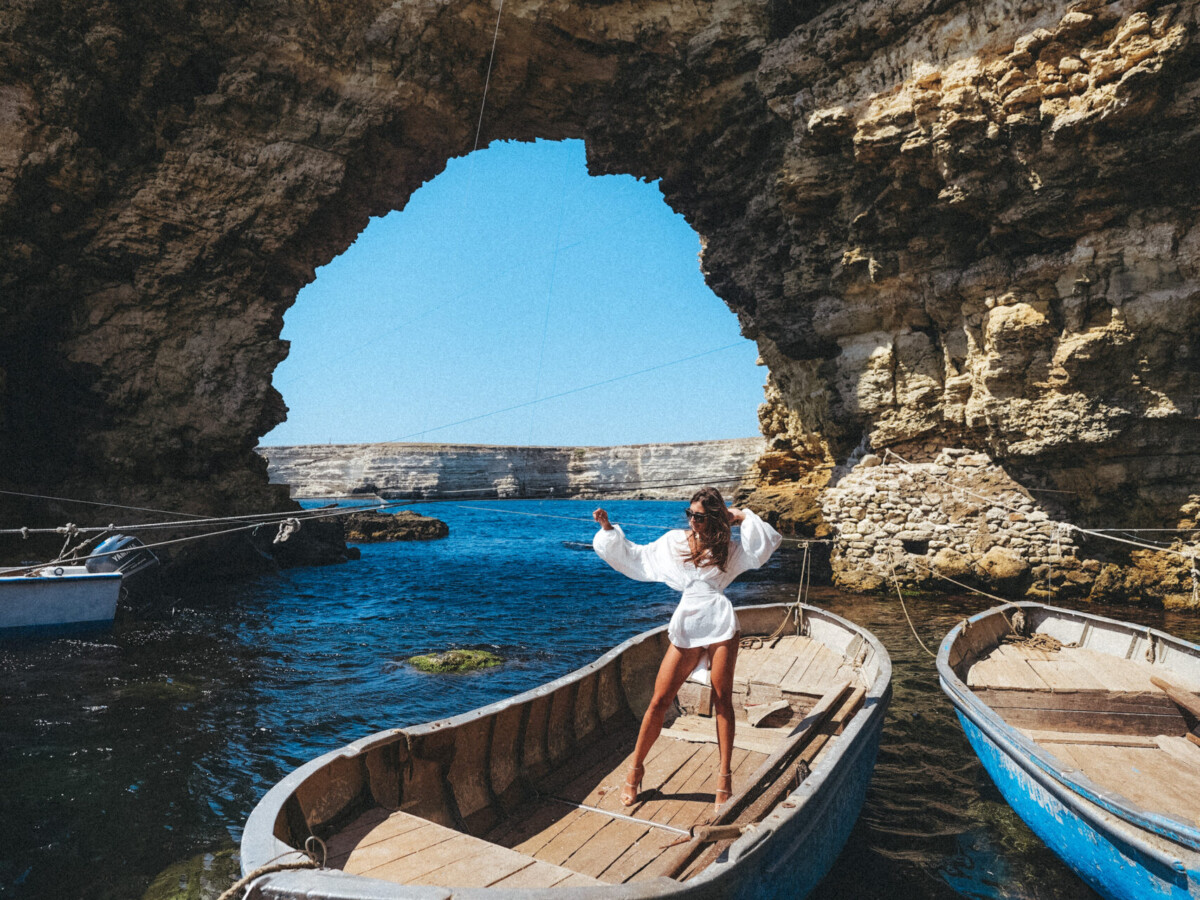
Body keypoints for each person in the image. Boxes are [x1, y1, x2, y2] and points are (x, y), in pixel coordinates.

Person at [592, 486, 782, 812]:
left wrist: (741, 515)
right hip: (687, 624)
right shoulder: (673, 542)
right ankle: (635, 770)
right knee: (659, 701)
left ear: (715, 518)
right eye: (690, 514)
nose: (693, 521)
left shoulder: (730, 550)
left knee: (723, 701)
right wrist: (608, 531)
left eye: (701, 516)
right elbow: (638, 557)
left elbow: (761, 548)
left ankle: (724, 778)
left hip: (721, 625)